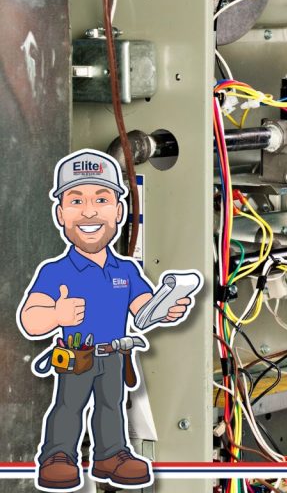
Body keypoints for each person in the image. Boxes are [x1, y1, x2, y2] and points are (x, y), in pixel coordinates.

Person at [17, 149, 198, 492]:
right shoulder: (56, 272)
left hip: (115, 355)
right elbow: (30, 318)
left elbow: (142, 309)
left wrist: (165, 307)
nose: (89, 211)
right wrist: (57, 314)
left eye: (101, 199)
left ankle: (111, 455)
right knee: (69, 407)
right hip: (76, 356)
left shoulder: (126, 271)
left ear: (118, 211)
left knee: (111, 406)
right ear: (61, 213)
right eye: (76, 200)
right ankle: (58, 456)